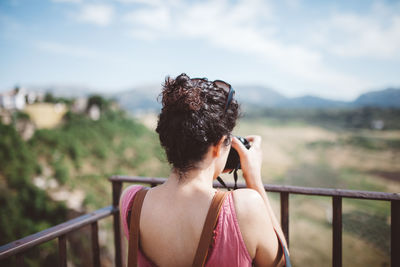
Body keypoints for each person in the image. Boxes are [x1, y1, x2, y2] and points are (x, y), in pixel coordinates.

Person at [120, 73, 289, 266]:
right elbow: (283, 262)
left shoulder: (131, 201)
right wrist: (254, 180)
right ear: (217, 146)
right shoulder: (246, 207)